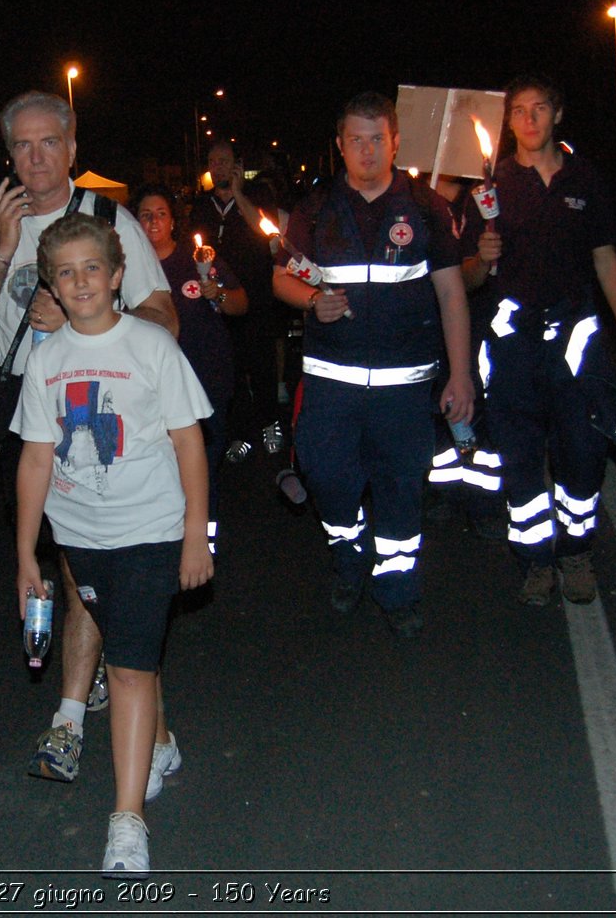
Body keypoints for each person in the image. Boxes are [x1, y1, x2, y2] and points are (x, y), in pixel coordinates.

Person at [0, 90, 178, 787]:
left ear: (73, 149)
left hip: (104, 422)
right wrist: (6, 251)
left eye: (50, 142)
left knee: (82, 573)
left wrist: (85, 318)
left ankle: (70, 720)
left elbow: (163, 316)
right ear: (9, 154)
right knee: (79, 571)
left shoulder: (109, 219)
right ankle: (133, 709)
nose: (36, 157)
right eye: (23, 145)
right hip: (29, 418)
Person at [13, 213, 213, 877]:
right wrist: (25, 557)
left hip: (151, 530)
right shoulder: (46, 360)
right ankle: (160, 740)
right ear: (51, 285)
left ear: (118, 275)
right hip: (82, 540)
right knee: (132, 647)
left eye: (92, 268)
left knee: (127, 666)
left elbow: (190, 443)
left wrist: (194, 537)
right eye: (65, 273)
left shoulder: (151, 347)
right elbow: (36, 461)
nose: (81, 282)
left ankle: (127, 823)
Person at [273, 92, 475, 636]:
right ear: (339, 146)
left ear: (395, 142)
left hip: (403, 391)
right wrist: (313, 300)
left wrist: (462, 375)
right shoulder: (314, 209)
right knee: (328, 479)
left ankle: (398, 588)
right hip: (330, 388)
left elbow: (453, 296)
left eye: (376, 139)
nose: (366, 151)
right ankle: (347, 551)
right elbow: (282, 277)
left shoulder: (427, 208)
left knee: (402, 492)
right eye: (355, 140)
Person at [460, 74, 616, 605]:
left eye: (540, 109)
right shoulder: (489, 189)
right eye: (520, 111)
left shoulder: (584, 180)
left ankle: (576, 552)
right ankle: (537, 562)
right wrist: (482, 259)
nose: (531, 119)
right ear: (509, 120)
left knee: (583, 448)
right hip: (514, 343)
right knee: (518, 456)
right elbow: (469, 280)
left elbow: (605, 259)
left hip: (575, 336)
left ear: (557, 114)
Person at [133, 183, 245, 523]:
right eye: (145, 215)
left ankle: (202, 536)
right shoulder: (124, 267)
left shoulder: (197, 259)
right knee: (158, 466)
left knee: (201, 463)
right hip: (150, 388)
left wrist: (219, 294)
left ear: (173, 222)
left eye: (161, 214)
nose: (153, 222)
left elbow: (241, 304)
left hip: (205, 378)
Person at [194, 142, 280, 454]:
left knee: (261, 366)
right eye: (212, 161)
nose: (217, 167)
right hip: (220, 299)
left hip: (256, 298)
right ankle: (240, 433)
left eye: (224, 161)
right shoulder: (203, 205)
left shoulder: (257, 196)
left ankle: (270, 423)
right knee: (231, 368)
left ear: (237, 165)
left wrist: (240, 194)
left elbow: (266, 231)